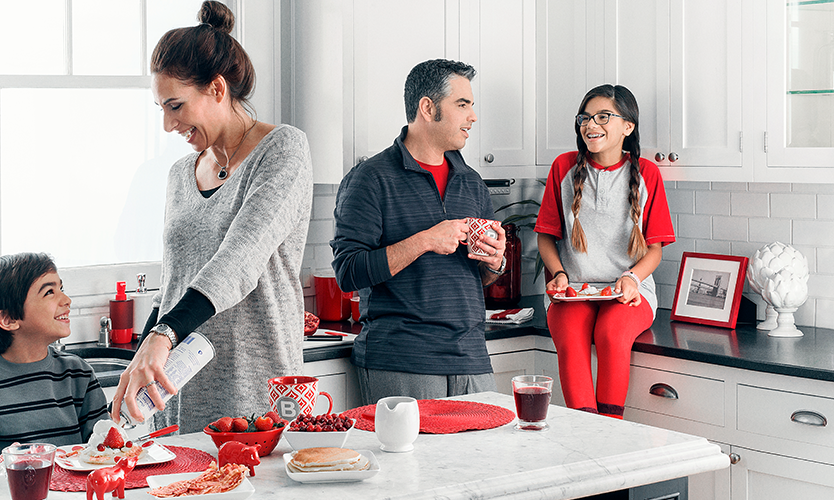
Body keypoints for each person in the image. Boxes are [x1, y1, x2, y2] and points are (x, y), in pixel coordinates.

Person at [110, 0, 312, 434]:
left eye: (176, 106)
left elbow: (240, 260)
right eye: (161, 108)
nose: (167, 124)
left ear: (217, 89)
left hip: (257, 393)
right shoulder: (180, 175)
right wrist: (143, 353)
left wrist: (162, 335)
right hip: (179, 391)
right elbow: (177, 283)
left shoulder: (282, 150)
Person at [330, 59, 506, 405]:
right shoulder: (371, 179)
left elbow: (481, 277)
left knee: (488, 460)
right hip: (403, 359)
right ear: (428, 107)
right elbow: (348, 273)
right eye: (462, 105)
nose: (472, 116)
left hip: (472, 359)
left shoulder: (471, 182)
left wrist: (494, 261)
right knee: (414, 461)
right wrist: (426, 240)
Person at [535, 84, 675, 419]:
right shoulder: (563, 168)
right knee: (569, 335)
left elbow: (654, 250)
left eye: (603, 116)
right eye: (585, 117)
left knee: (611, 333)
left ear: (628, 126)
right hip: (573, 289)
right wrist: (558, 273)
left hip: (629, 288)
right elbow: (545, 237)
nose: (590, 124)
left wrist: (631, 278)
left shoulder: (647, 174)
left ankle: (611, 428)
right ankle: (585, 431)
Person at [0, 252, 108, 459]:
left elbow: (103, 452)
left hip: (72, 492)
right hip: (4, 492)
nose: (66, 300)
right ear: (8, 319)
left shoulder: (78, 375)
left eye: (61, 289)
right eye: (49, 292)